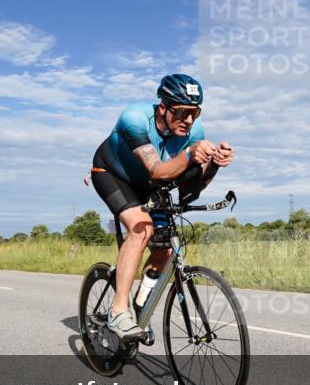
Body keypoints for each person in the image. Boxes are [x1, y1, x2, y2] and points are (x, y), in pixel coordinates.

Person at [90, 74, 234, 340]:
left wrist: (212, 165)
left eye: (195, 112)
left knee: (164, 248)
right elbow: (157, 171)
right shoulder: (134, 118)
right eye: (182, 112)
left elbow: (190, 190)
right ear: (163, 107)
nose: (189, 120)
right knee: (141, 229)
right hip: (112, 173)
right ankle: (118, 310)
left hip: (151, 184)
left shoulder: (194, 132)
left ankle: (139, 308)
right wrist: (189, 155)